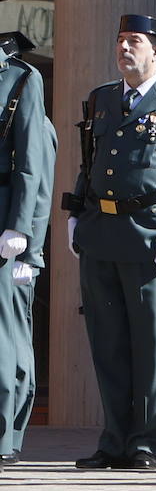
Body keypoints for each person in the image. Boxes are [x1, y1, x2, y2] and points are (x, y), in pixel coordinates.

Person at [62, 14, 156, 471]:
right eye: (120, 40)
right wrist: (76, 214)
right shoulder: (102, 98)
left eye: (134, 41)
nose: (124, 49)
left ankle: (144, 441)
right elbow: (90, 159)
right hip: (101, 232)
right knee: (108, 343)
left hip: (149, 234)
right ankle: (113, 439)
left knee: (147, 345)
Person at [0, 23, 50, 471]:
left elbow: (31, 162)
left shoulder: (19, 78)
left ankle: (4, 435)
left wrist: (22, 230)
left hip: (1, 221)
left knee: (4, 335)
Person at [7, 113, 54, 464]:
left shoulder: (36, 125)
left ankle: (14, 428)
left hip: (20, 255)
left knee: (15, 338)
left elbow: (40, 191)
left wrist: (32, 252)